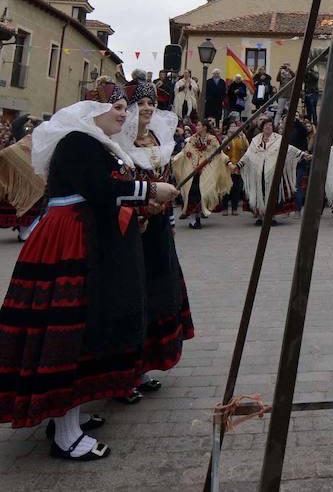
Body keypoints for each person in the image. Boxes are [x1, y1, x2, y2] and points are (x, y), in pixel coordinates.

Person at [0, 92, 180, 460]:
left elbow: (108, 193)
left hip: (89, 240)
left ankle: (67, 420)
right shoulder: (78, 141)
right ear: (92, 112)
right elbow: (101, 189)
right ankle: (66, 435)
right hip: (73, 243)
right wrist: (150, 190)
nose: (122, 114)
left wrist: (142, 204)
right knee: (72, 333)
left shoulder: (98, 143)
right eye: (114, 108)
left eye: (121, 108)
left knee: (86, 329)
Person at [118, 79, 194, 397]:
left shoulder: (158, 140)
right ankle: (122, 375)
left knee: (157, 296)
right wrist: (139, 209)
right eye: (140, 103)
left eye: (151, 103)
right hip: (130, 234)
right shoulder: (117, 143)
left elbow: (168, 181)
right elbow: (116, 189)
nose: (147, 108)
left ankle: (143, 367)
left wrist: (167, 212)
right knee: (130, 300)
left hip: (159, 232)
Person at [237, 117, 309, 225]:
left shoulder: (278, 139)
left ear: (273, 127)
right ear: (262, 127)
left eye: (270, 125)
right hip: (258, 173)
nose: (268, 127)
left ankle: (272, 216)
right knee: (259, 193)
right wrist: (238, 165)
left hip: (273, 173)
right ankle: (261, 216)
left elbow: (289, 148)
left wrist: (303, 154)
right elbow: (248, 155)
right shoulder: (256, 140)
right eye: (266, 125)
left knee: (273, 195)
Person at [171, 119, 231, 229]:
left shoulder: (212, 139)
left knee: (204, 193)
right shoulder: (193, 138)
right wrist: (175, 159)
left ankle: (200, 213)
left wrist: (228, 162)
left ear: (205, 127)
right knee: (192, 193)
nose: (196, 127)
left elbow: (219, 153)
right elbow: (185, 151)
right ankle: (195, 218)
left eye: (198, 125)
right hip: (193, 172)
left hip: (206, 172)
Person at [0, 114, 45, 242]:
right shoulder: (25, 139)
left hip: (33, 179)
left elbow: (16, 126)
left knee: (31, 202)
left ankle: (26, 229)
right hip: (25, 178)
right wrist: (27, 117)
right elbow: (16, 126)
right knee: (28, 202)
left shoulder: (45, 143)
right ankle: (25, 230)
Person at [222, 119, 249, 216]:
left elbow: (247, 149)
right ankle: (225, 208)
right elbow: (222, 151)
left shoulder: (242, 138)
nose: (234, 128)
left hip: (238, 167)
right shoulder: (225, 138)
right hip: (227, 167)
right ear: (228, 128)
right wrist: (228, 139)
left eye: (235, 126)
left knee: (236, 189)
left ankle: (234, 208)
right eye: (232, 126)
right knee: (226, 188)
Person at [274, 64, 295, 128]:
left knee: (290, 111)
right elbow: (277, 79)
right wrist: (279, 71)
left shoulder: (291, 74)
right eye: (285, 66)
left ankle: (290, 124)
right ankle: (275, 124)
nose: (285, 67)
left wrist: (290, 70)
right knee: (279, 111)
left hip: (290, 95)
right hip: (282, 95)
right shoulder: (281, 74)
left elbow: (295, 76)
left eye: (287, 66)